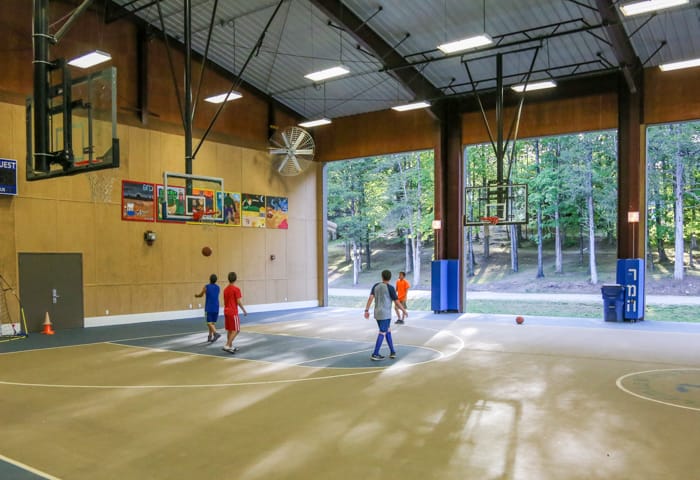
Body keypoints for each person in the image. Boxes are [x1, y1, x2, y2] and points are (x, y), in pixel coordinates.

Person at [364, 269, 408, 361]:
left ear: (382, 276)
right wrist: (404, 310)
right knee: (382, 332)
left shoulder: (375, 286)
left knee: (387, 330)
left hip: (377, 313)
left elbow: (370, 298)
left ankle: (392, 351)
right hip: (385, 314)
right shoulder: (390, 288)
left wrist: (366, 310)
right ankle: (375, 354)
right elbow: (397, 302)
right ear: (390, 278)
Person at [222, 271, 247, 354]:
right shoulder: (236, 289)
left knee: (230, 330)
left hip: (226, 311)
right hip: (233, 312)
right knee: (237, 329)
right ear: (235, 279)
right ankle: (227, 345)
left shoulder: (225, 290)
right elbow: (238, 301)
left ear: (228, 279)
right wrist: (244, 310)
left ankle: (230, 346)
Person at [195, 274, 221, 343]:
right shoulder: (218, 287)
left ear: (209, 279)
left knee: (208, 323)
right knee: (212, 323)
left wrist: (197, 295)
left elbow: (201, 295)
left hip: (209, 307)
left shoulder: (206, 287)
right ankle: (210, 336)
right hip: (216, 307)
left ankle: (215, 333)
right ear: (216, 280)